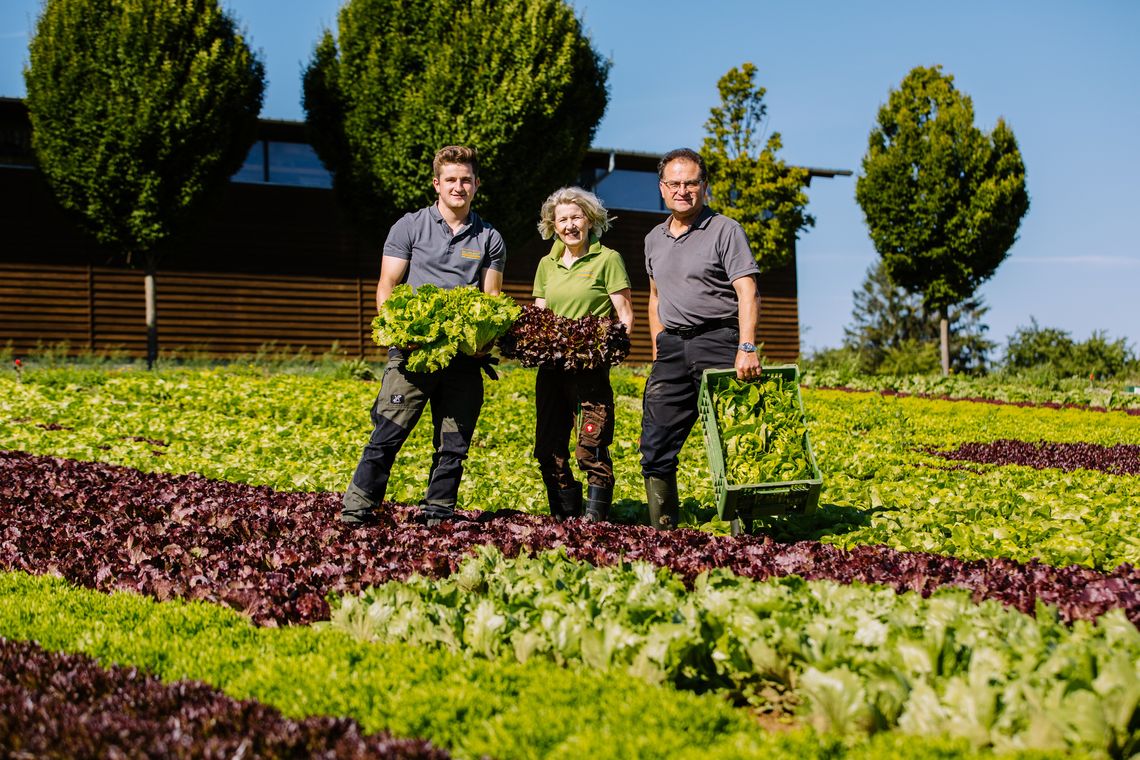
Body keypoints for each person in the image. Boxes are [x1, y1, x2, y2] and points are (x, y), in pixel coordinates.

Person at [340, 145, 506, 526]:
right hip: (413, 354)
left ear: (476, 184)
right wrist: (400, 333)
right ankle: (357, 510)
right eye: (451, 179)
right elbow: (387, 286)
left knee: (454, 444)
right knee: (388, 432)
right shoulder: (409, 226)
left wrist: (483, 341)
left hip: (462, 360)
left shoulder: (490, 237)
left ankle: (438, 511)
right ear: (437, 183)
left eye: (466, 180)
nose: (458, 186)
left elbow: (491, 298)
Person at [640, 148, 761, 530]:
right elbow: (655, 296)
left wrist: (746, 346)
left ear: (703, 186)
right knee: (655, 440)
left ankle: (743, 533)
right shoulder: (653, 240)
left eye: (691, 183)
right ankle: (665, 530)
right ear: (662, 188)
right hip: (673, 348)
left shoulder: (726, 229)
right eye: (674, 183)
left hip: (719, 342)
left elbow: (747, 291)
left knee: (734, 436)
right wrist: (659, 343)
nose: (683, 190)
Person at [531, 187, 634, 522]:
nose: (570, 225)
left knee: (591, 443)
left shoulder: (608, 259)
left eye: (576, 217)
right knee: (549, 446)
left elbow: (624, 314)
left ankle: (596, 520)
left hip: (590, 366)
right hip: (552, 368)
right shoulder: (547, 264)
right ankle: (565, 516)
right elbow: (539, 315)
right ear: (553, 225)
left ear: (590, 220)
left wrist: (609, 350)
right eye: (562, 219)